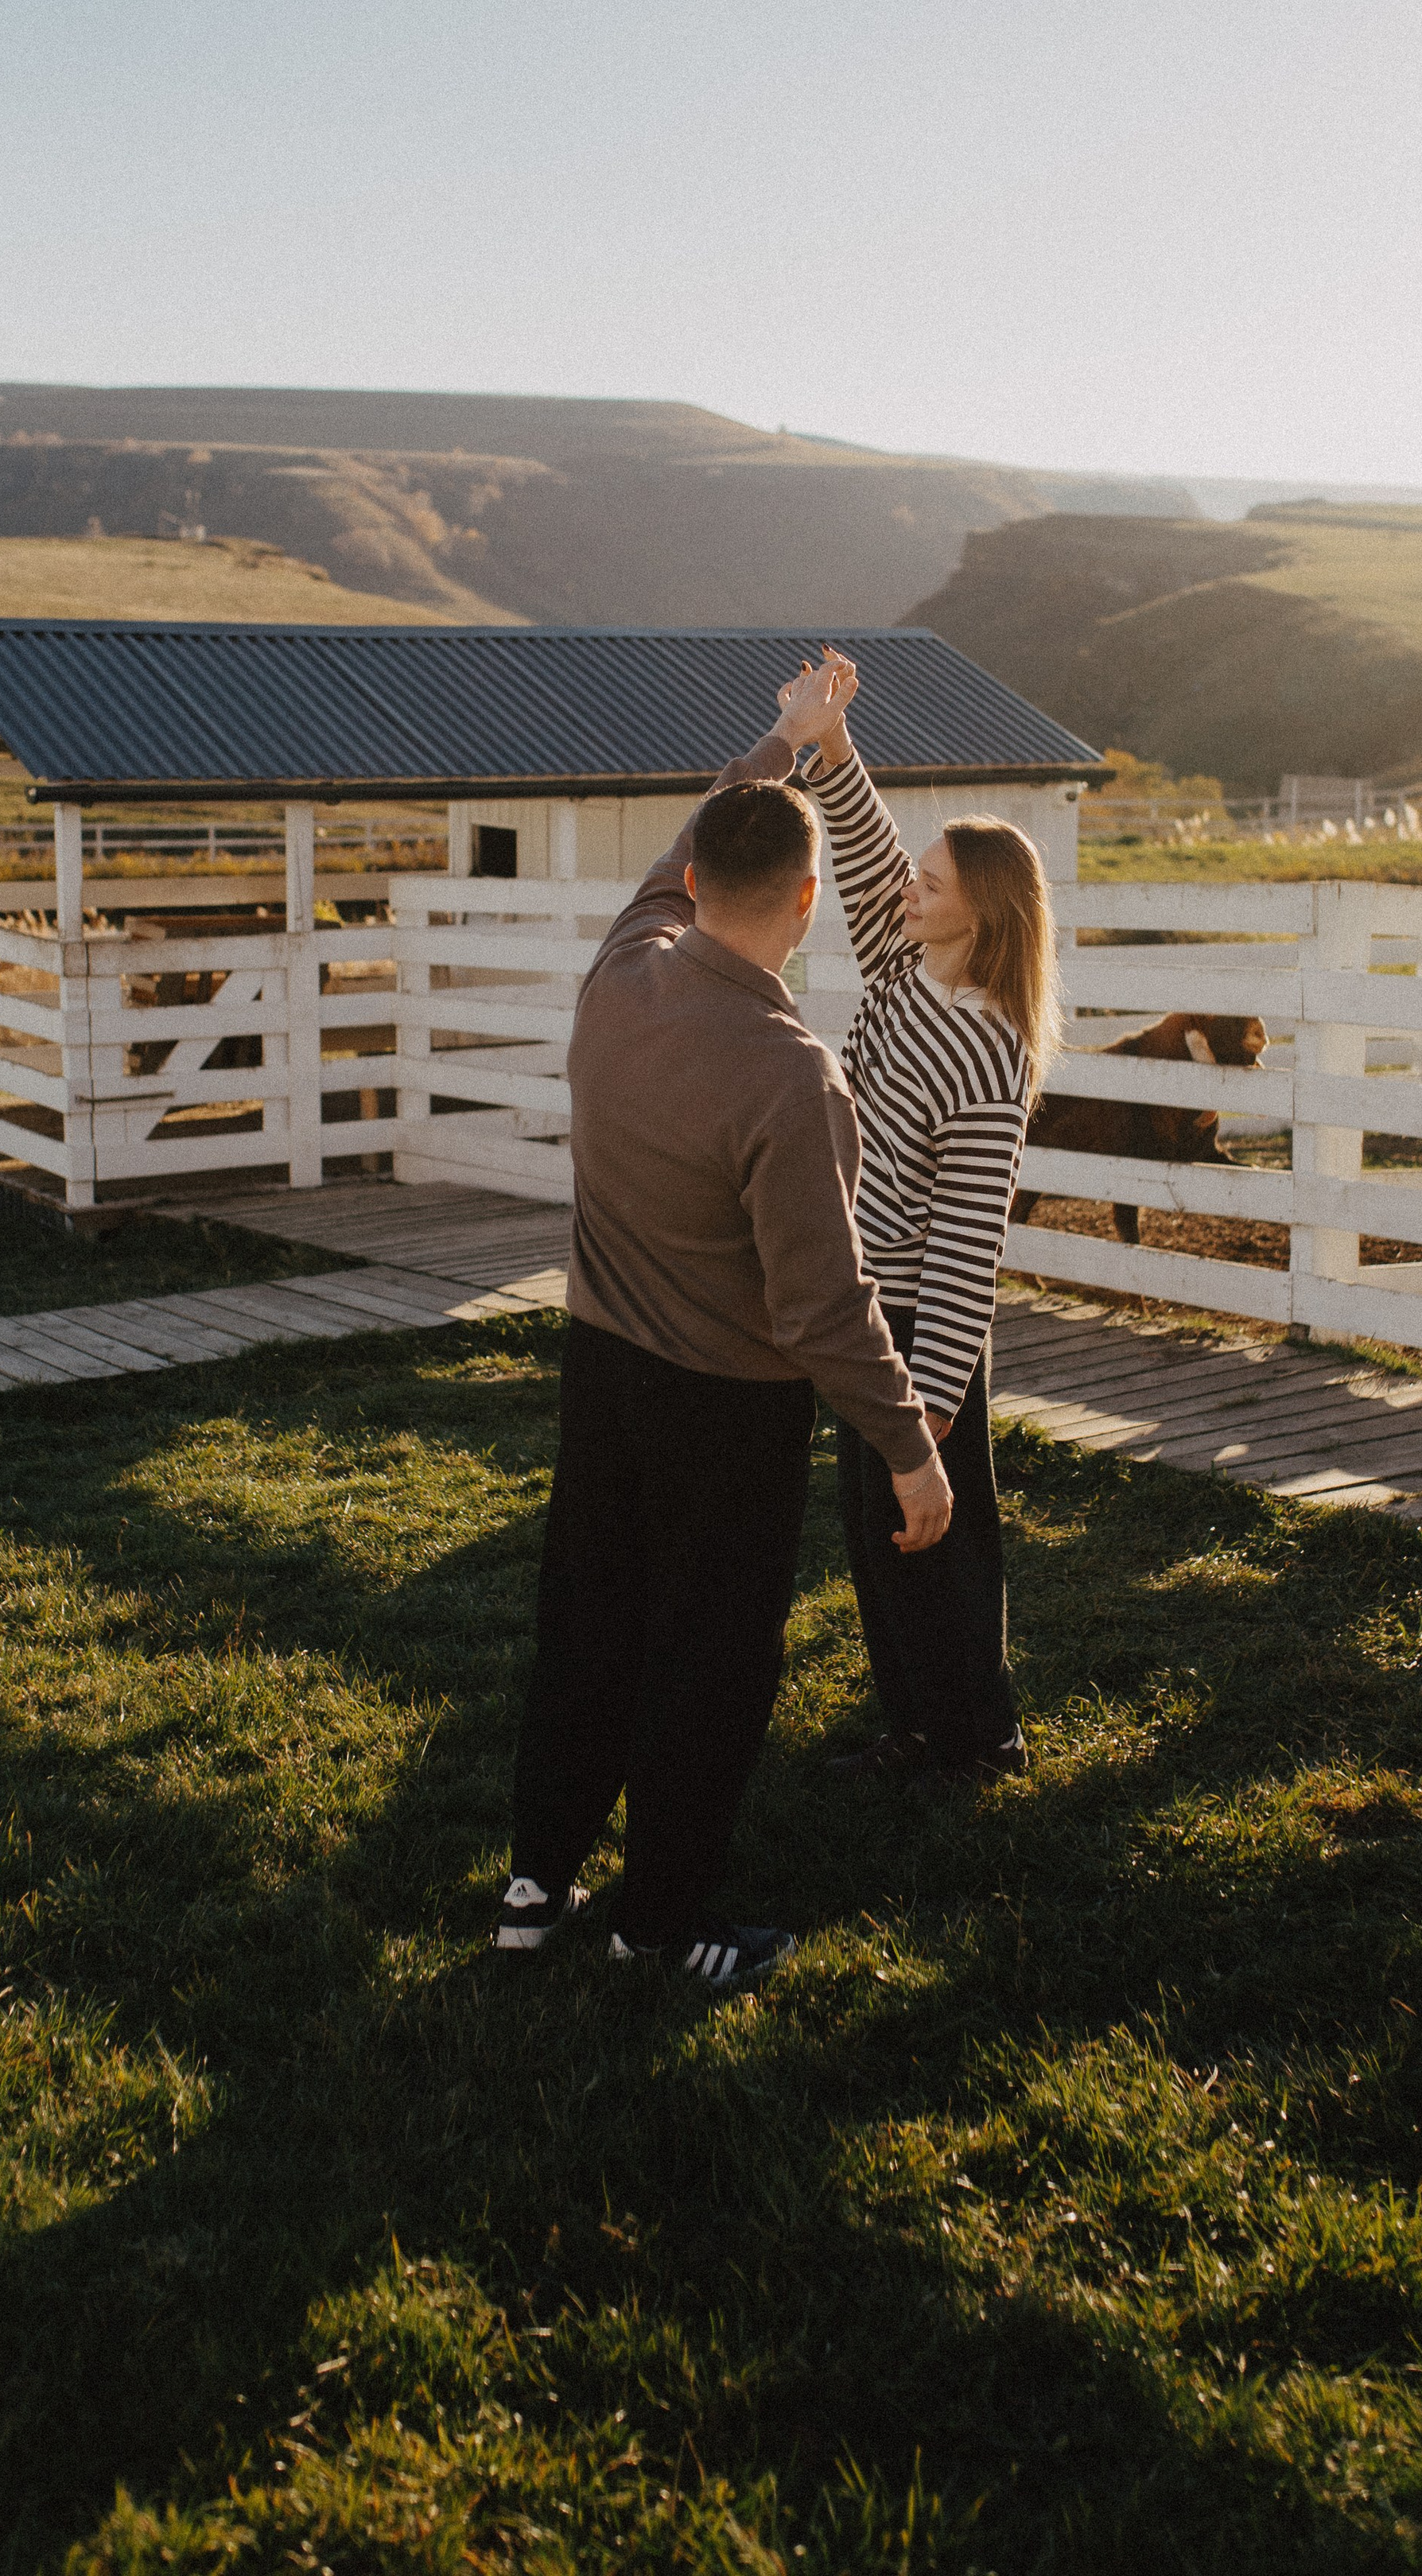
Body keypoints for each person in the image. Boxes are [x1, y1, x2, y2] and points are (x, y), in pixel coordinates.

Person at [497, 724, 954, 1989]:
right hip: (727, 1416)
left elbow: (701, 829)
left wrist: (783, 747)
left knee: (588, 1624)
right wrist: (913, 1449)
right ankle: (662, 1924)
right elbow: (823, 1308)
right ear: (809, 904)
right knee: (710, 1660)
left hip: (601, 1376)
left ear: (695, 879)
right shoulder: (788, 1075)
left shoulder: (620, 972)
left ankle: (536, 1887)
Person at [772, 646, 1059, 1789]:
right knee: (875, 1534)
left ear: (977, 917)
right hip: (863, 1302)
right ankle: (917, 1726)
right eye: (921, 878)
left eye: (933, 887)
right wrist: (833, 746)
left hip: (919, 1330)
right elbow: (864, 852)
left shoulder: (989, 1049)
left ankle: (977, 1739)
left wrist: (934, 1403)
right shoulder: (906, 964)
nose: (909, 890)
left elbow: (969, 1239)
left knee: (937, 1538)